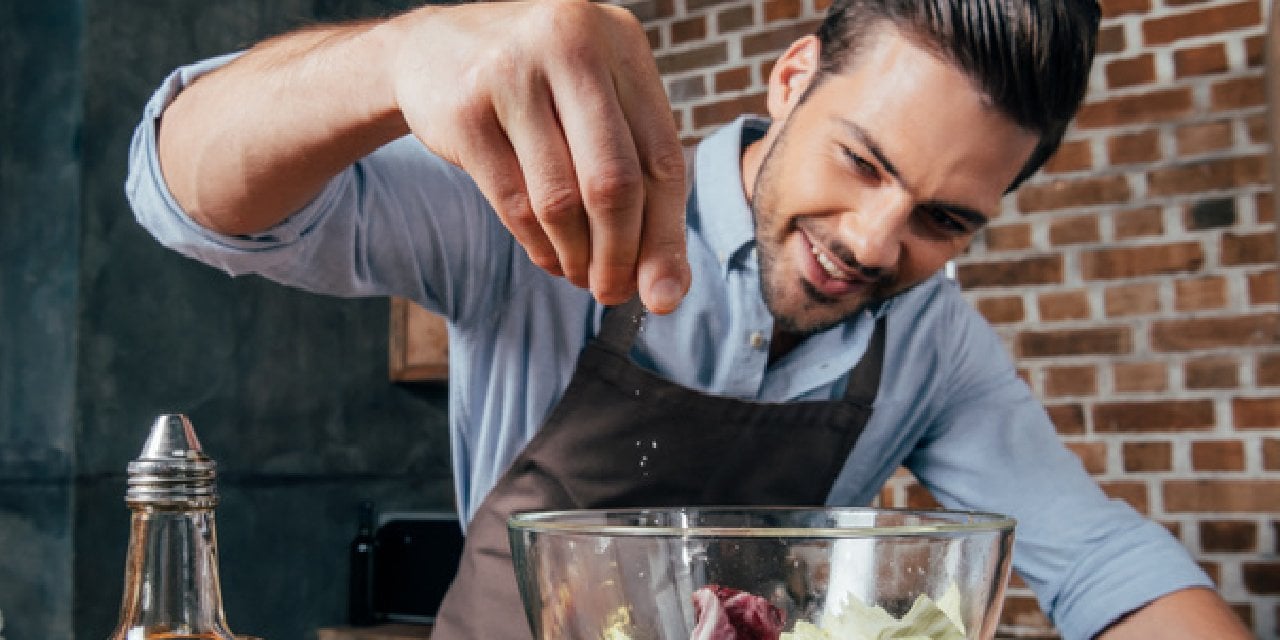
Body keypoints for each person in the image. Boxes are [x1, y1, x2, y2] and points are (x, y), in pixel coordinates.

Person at [125, 0, 1253, 637]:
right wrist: (393, 55)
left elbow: (1105, 564)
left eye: (944, 219)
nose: (871, 240)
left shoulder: (931, 341)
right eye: (860, 161)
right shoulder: (556, 202)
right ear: (790, 76)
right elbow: (188, 199)